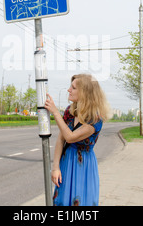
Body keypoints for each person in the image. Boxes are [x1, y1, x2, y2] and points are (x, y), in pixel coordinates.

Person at [44, 74, 111, 206]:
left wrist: (55, 112)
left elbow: (70, 137)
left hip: (83, 166)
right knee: (61, 201)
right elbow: (61, 139)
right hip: (66, 161)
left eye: (73, 88)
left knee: (80, 202)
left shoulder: (95, 119)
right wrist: (55, 167)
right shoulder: (70, 111)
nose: (69, 90)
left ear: (85, 93)